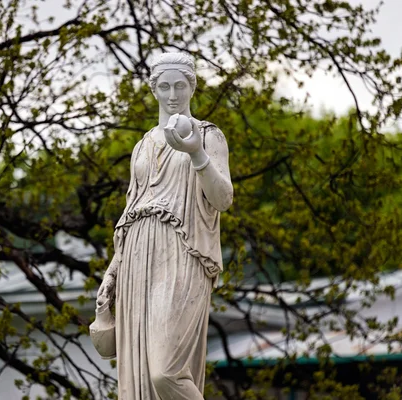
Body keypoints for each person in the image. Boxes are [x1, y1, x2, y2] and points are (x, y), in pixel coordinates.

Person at [95, 52, 233, 399]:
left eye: (181, 86)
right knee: (137, 379)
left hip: (182, 251)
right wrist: (113, 270)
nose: (173, 95)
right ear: (154, 89)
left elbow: (223, 199)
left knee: (164, 372)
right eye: (166, 86)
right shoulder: (142, 146)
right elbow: (131, 211)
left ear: (192, 87)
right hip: (136, 259)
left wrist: (196, 154)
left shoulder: (208, 135)